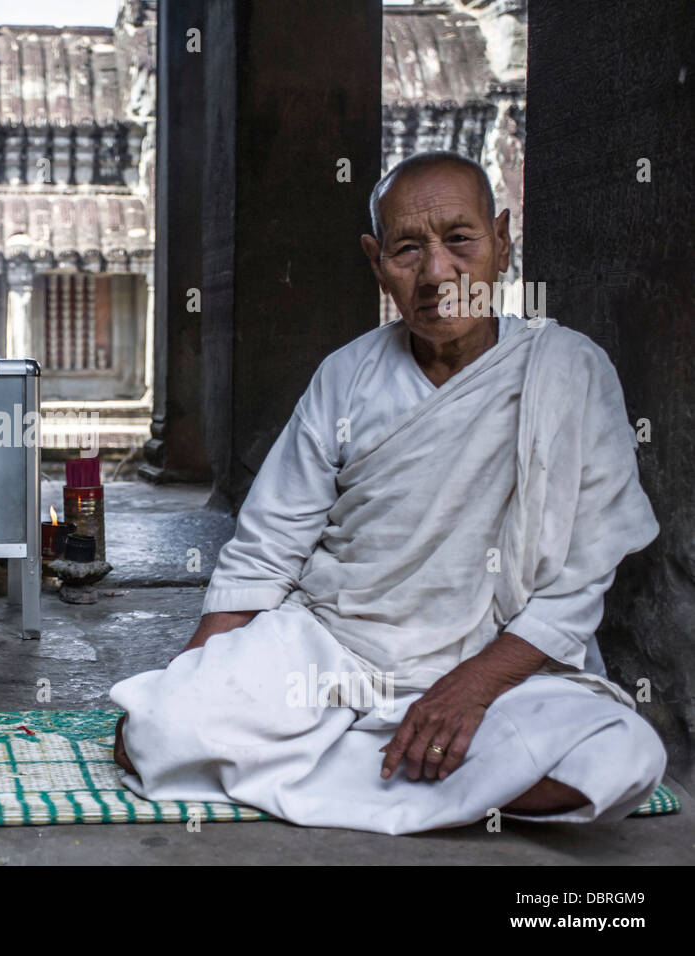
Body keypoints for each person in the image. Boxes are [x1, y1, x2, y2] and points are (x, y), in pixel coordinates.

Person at [110, 151, 666, 835]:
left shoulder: (569, 370)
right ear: (377, 262)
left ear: (501, 239)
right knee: (161, 728)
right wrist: (184, 686)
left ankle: (351, 762)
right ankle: (420, 770)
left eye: (460, 239)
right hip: (337, 649)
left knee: (620, 757)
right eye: (408, 249)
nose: (437, 273)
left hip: (500, 661)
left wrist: (472, 687)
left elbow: (580, 581)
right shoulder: (346, 377)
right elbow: (266, 551)